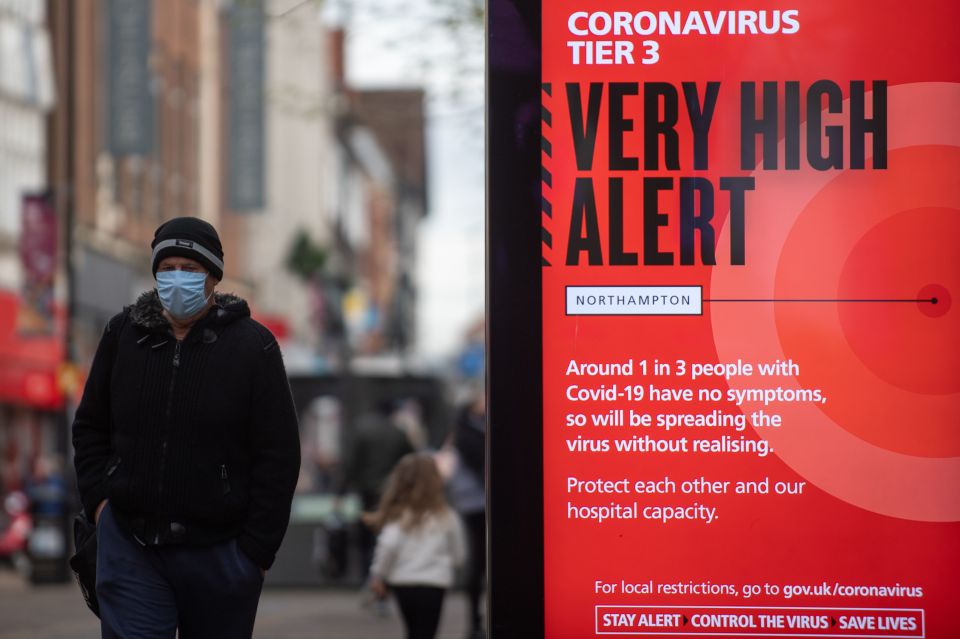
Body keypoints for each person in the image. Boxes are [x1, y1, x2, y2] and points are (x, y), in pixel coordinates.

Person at [72, 217, 301, 638]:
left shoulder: (254, 347)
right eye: (168, 267)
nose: (178, 278)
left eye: (191, 270)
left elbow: (279, 453)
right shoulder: (123, 334)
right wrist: (101, 505)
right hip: (131, 543)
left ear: (213, 277)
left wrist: (256, 551)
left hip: (222, 552)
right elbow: (90, 425)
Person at [365, 453, 466, 639]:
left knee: (412, 629)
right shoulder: (447, 517)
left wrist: (378, 575)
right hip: (435, 583)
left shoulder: (398, 518)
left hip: (403, 583)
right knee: (428, 631)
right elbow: (459, 555)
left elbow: (387, 546)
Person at [447, 389, 487, 639]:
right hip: (476, 503)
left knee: (481, 559)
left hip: (474, 501)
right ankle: (474, 621)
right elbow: (482, 465)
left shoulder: (471, 430)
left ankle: (477, 620)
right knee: (480, 559)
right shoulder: (467, 434)